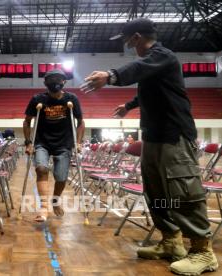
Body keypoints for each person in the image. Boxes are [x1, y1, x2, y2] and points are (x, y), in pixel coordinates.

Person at [81, 17, 217, 275]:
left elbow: (138, 68)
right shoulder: (154, 64)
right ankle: (171, 242)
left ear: (135, 38)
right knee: (155, 191)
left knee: (183, 190)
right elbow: (146, 87)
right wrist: (129, 106)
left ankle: (202, 252)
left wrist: (111, 76)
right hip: (153, 136)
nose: (125, 45)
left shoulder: (163, 56)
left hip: (174, 135)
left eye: (126, 40)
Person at [24, 69, 85, 222]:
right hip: (42, 142)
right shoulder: (38, 99)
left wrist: (78, 142)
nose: (55, 82)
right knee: (41, 169)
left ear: (64, 82)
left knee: (61, 177)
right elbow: (27, 121)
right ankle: (44, 207)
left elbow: (80, 122)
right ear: (45, 83)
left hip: (64, 144)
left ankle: (55, 200)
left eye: (58, 79)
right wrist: (28, 142)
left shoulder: (71, 99)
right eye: (51, 80)